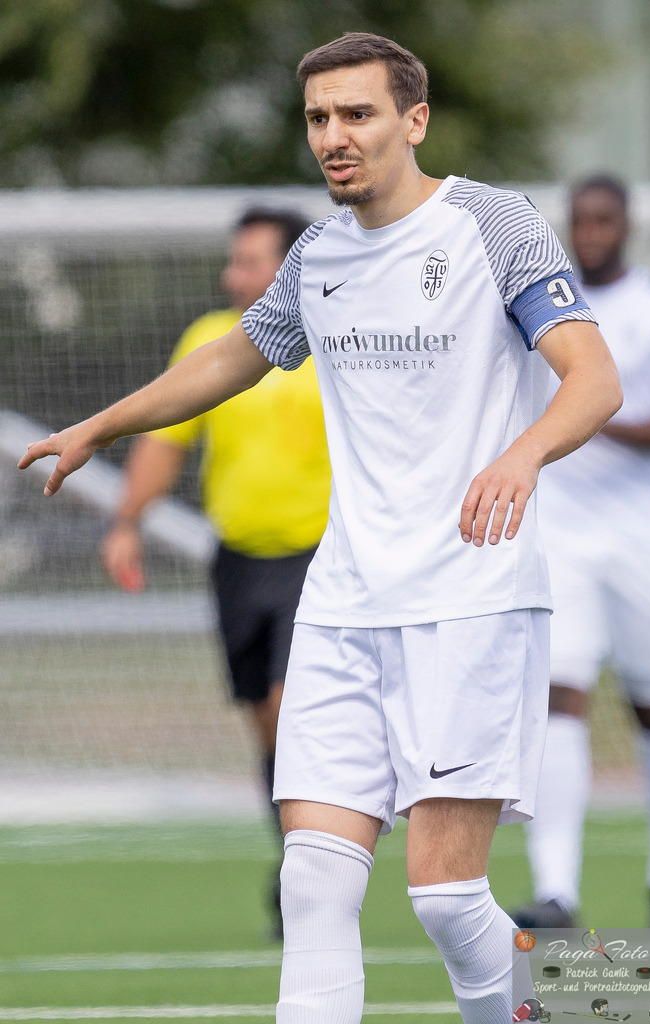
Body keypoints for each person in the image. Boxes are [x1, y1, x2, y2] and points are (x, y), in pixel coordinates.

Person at [18, 33, 623, 1024]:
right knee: (313, 883)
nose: (333, 137)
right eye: (317, 119)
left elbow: (591, 378)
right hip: (340, 605)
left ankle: (614, 991)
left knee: (441, 895)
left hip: (469, 600)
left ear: (412, 120)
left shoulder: (489, 224)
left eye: (357, 114)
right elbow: (231, 361)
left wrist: (520, 454)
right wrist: (100, 426)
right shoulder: (318, 254)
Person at [100, 207, 331, 939]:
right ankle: (295, 862)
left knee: (296, 714)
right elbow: (165, 440)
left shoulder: (333, 337)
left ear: (291, 267)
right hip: (237, 562)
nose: (233, 275)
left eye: (250, 261)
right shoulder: (209, 340)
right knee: (269, 725)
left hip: (322, 559)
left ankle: (314, 878)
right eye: (232, 261)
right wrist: (128, 520)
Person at [514, 175, 650, 930]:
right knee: (559, 694)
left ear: (625, 225)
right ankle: (556, 894)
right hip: (561, 533)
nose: (589, 232)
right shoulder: (542, 310)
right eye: (577, 220)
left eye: (602, 219)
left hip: (649, 532)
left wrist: (588, 413)